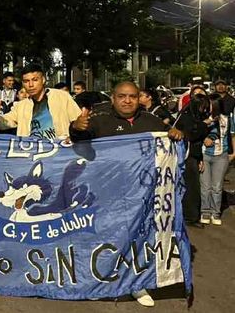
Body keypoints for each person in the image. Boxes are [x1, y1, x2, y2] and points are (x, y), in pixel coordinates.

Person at [69, 81, 183, 308]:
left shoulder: (151, 121)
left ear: (139, 98)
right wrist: (76, 127)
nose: (128, 101)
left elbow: (168, 146)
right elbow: (79, 139)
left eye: (132, 96)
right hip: (104, 194)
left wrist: (175, 134)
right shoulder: (99, 120)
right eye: (122, 96)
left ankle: (136, 284)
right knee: (102, 239)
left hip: (140, 198)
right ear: (113, 98)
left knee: (137, 240)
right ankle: (97, 282)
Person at [0, 64, 81, 140]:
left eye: (35, 80)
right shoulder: (21, 106)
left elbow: (77, 120)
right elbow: (4, 122)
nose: (31, 85)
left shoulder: (62, 97)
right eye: (26, 81)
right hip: (31, 154)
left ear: (43, 80)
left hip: (59, 154)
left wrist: (74, 133)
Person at [175, 90, 214, 230]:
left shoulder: (191, 117)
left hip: (193, 155)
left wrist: (200, 158)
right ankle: (190, 217)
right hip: (185, 156)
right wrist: (204, 125)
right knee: (191, 188)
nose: (205, 111)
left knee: (192, 187)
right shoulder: (187, 118)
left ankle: (190, 215)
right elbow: (191, 135)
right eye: (203, 107)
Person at [200, 93, 233, 226]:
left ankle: (215, 212)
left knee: (217, 187)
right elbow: (196, 134)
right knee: (205, 186)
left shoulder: (228, 119)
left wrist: (234, 153)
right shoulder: (203, 118)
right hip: (204, 155)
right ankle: (205, 211)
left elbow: (232, 135)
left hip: (221, 155)